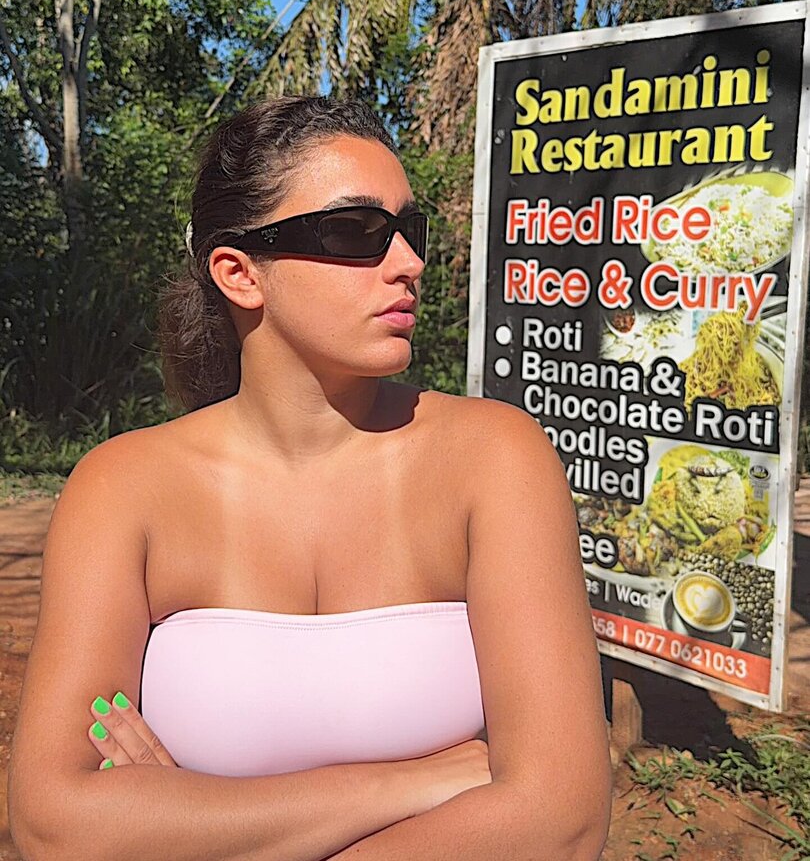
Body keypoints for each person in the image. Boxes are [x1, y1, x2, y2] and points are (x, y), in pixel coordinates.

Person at [7, 96, 612, 861]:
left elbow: (560, 818)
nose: (409, 263)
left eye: (410, 230)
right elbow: (54, 822)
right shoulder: (123, 488)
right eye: (355, 231)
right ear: (239, 273)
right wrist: (399, 785)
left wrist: (192, 825)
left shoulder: (494, 459)